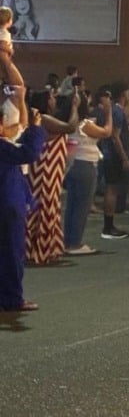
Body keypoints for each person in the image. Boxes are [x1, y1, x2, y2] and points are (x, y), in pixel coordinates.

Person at [0, 55, 46, 312]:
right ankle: (12, 297)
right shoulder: (5, 146)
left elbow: (17, 89)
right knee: (12, 251)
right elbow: (18, 88)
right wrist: (5, 58)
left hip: (13, 190)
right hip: (8, 199)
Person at [25, 88, 80, 265]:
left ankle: (46, 250)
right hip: (46, 170)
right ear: (47, 101)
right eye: (53, 98)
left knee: (49, 208)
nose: (55, 101)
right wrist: (75, 106)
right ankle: (41, 252)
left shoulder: (41, 119)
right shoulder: (44, 119)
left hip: (49, 169)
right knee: (46, 208)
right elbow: (71, 127)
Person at [63, 89, 112, 256]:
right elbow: (106, 132)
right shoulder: (84, 124)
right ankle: (75, 243)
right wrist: (109, 112)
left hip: (73, 165)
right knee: (82, 206)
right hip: (86, 165)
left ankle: (68, 240)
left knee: (72, 206)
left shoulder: (69, 121)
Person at [97, 82, 129, 240]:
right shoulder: (116, 111)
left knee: (112, 188)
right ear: (123, 94)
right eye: (128, 94)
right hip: (114, 156)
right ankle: (108, 226)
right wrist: (124, 157)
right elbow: (115, 136)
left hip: (110, 154)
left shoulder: (115, 110)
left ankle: (109, 225)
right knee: (111, 189)